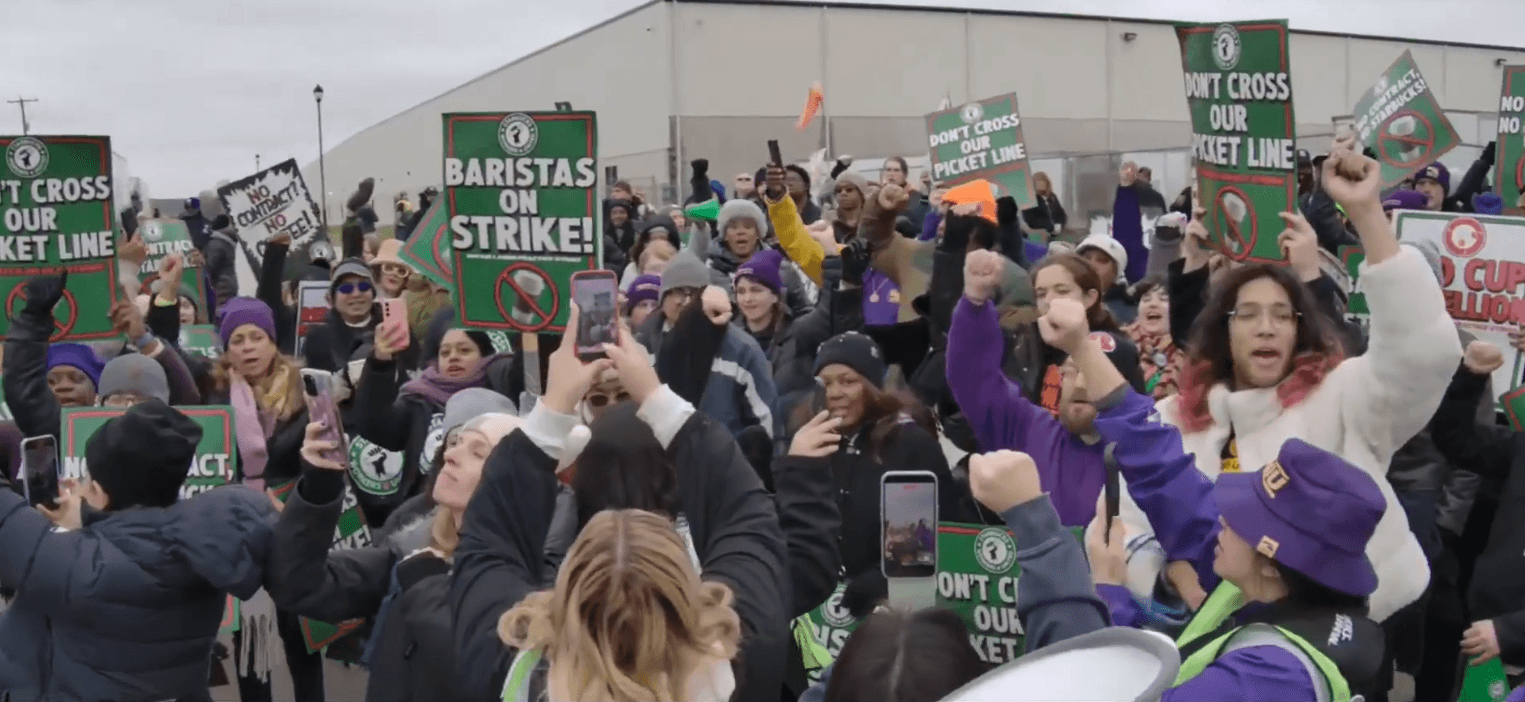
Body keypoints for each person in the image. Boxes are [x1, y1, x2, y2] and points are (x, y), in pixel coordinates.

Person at [1118, 147, 1461, 624]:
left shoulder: (1341, 396)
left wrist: (1365, 213)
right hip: (1213, 639)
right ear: (1224, 330)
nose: (1266, 328)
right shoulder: (1174, 416)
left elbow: (1422, 354)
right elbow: (1133, 518)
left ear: (1301, 330)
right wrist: (1169, 571)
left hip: (1345, 636)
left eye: (1283, 315)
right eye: (1249, 315)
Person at [450, 306, 789, 701]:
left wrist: (554, 402)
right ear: (689, 594)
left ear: (561, 601)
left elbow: (490, 540)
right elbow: (747, 521)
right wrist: (655, 395)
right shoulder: (738, 661)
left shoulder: (507, 665)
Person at [0, 401, 276, 701]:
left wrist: (76, 531)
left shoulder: (74, 562)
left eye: (86, 481)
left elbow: (8, 520)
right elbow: (138, 539)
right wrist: (91, 521)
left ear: (102, 496)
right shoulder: (205, 548)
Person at [266, 409, 522, 702]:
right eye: (455, 442)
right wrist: (319, 488)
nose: (451, 455)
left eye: (478, 453)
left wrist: (425, 588)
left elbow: (480, 676)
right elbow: (298, 585)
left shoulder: (532, 584)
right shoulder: (411, 552)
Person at [351, 309, 513, 526]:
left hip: (484, 514)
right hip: (422, 515)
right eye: (445, 353)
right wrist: (380, 362)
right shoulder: (420, 399)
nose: (453, 357)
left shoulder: (501, 398)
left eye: (464, 350)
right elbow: (374, 425)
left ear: (485, 357)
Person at [1429, 341, 1525, 690]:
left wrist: (1511, 632)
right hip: (1488, 645)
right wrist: (1470, 376)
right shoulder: (1520, 447)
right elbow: (1457, 439)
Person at [1124, 275, 1181, 399]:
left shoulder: (1189, 351)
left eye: (1164, 299)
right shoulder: (1119, 341)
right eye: (1146, 299)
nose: (1153, 304)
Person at [733, 249, 791, 358]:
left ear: (775, 296)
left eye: (756, 290)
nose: (747, 299)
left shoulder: (795, 335)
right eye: (741, 291)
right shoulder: (728, 337)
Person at [1075, 233, 1136, 323]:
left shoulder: (1130, 314)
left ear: (1116, 272)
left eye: (1102, 260)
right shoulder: (1062, 300)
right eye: (1086, 258)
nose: (1092, 264)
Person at [204, 213, 240, 316]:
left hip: (221, 286)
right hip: (230, 283)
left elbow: (210, 266)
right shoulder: (228, 241)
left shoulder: (216, 243)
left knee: (221, 314)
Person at [1021, 171, 1068, 238]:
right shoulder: (1029, 199)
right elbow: (1029, 219)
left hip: (1054, 236)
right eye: (1038, 181)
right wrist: (1050, 228)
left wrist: (1060, 225)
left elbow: (1062, 215)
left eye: (1042, 181)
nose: (1041, 184)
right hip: (1037, 237)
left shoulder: (1052, 197)